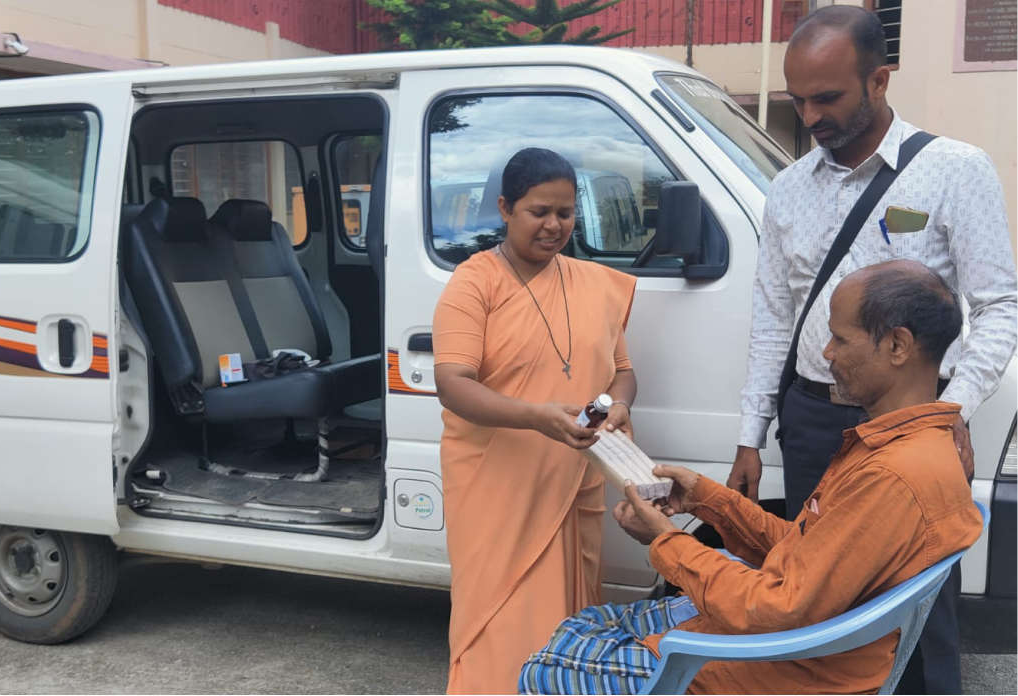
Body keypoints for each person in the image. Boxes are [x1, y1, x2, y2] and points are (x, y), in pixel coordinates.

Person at [520, 260, 984, 696]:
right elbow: (805, 552)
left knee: (543, 664)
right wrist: (708, 501)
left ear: (897, 346)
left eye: (840, 340)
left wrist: (665, 541)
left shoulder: (892, 474)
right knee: (586, 623)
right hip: (797, 641)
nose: (826, 353)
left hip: (774, 667)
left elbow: (781, 608)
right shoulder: (921, 445)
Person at [726, 6, 1018, 694]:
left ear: (879, 80)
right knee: (813, 602)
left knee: (917, 608)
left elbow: (999, 305)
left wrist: (949, 412)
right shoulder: (787, 190)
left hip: (910, 430)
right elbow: (772, 319)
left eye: (826, 98)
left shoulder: (953, 170)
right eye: (797, 101)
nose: (809, 116)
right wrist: (750, 436)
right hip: (812, 424)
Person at [433, 147, 638, 696]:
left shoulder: (596, 283)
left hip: (573, 476)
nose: (554, 226)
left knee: (569, 613)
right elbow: (453, 384)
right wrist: (537, 418)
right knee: (495, 616)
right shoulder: (475, 284)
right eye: (539, 212)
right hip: (495, 481)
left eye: (565, 213)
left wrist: (619, 406)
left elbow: (622, 372)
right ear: (505, 208)